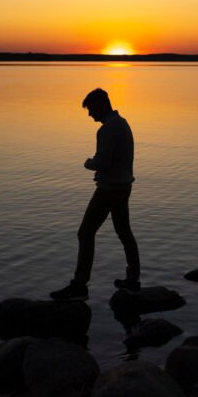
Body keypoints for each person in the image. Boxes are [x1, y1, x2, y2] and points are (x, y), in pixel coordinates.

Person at [50, 88, 141, 301]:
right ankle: (133, 281)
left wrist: (88, 163)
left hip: (109, 189)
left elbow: (103, 162)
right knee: (124, 233)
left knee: (85, 233)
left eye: (90, 109)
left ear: (100, 106)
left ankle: (79, 286)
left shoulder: (107, 129)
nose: (89, 114)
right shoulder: (122, 123)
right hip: (124, 186)